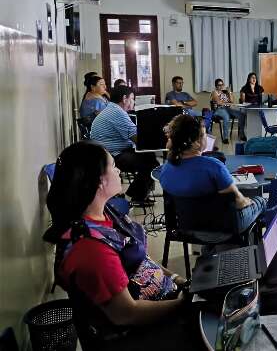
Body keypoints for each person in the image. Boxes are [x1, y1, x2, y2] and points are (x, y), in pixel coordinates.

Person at [46, 141, 206, 350]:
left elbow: (142, 261)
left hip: (166, 300)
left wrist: (181, 281)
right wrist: (185, 304)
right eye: (113, 166)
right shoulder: (91, 249)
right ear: (99, 181)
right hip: (138, 334)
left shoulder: (104, 212)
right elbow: (127, 314)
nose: (119, 170)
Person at [159, 114, 266, 234]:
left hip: (187, 229)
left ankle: (210, 248)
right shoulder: (213, 166)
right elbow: (239, 202)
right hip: (224, 229)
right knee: (261, 201)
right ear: (195, 142)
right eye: (205, 134)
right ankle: (256, 250)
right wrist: (248, 201)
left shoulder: (165, 169)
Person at [90, 86, 159, 203]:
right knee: (151, 164)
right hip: (110, 156)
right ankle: (135, 197)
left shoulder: (113, 109)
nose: (134, 102)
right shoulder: (117, 112)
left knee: (149, 157)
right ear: (124, 99)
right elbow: (138, 139)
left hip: (108, 152)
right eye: (132, 99)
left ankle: (138, 195)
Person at [210, 78, 246, 144]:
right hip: (218, 109)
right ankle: (225, 138)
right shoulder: (214, 92)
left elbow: (232, 101)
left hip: (227, 109)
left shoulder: (225, 92)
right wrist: (228, 103)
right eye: (219, 85)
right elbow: (219, 102)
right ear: (216, 86)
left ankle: (241, 134)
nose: (221, 86)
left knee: (241, 115)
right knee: (226, 116)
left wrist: (229, 92)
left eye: (222, 85)